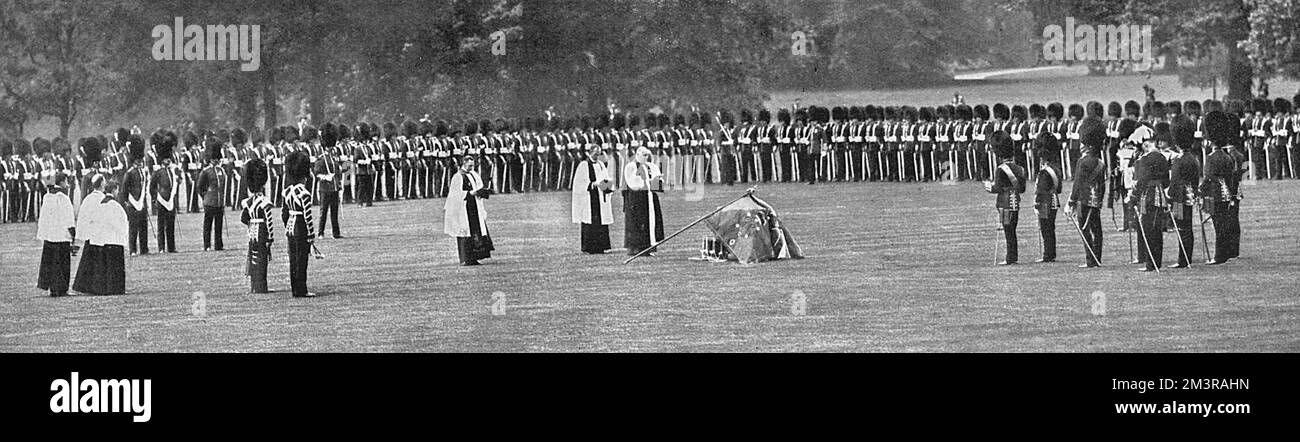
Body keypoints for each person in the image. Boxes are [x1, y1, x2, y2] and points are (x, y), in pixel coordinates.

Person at [73, 177, 128, 295]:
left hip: (97, 237)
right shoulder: (102, 201)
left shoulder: (93, 199)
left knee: (98, 265)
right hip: (100, 236)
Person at [1129, 123, 1170, 272]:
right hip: (1160, 195)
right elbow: (1166, 181)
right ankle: (1156, 261)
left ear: (1145, 145)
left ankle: (1150, 263)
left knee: (1148, 229)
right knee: (1157, 229)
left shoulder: (1144, 160)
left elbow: (1141, 181)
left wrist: (1133, 197)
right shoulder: (1163, 157)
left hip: (1147, 197)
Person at [1068, 115, 1107, 268]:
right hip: (1096, 199)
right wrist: (1101, 200)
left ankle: (1090, 260)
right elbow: (1102, 185)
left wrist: (1071, 201)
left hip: (1084, 199)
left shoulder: (1082, 161)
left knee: (1084, 229)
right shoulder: (1101, 163)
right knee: (1097, 230)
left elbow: (1077, 184)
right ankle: (1097, 258)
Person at [1201, 111, 1238, 265]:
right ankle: (1225, 253)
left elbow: (1208, 178)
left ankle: (1219, 256)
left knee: (1218, 226)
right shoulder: (1228, 157)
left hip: (1214, 193)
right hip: (1226, 192)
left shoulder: (1211, 158)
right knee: (1224, 224)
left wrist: (1200, 191)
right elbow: (1231, 177)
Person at [985, 131, 1027, 265]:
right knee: (1012, 231)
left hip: (1004, 204)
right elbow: (1022, 188)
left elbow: (996, 188)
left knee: (1008, 232)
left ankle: (1010, 258)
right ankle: (1012, 257)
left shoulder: (1001, 169)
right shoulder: (1019, 168)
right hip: (1015, 203)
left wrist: (987, 186)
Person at [444, 155, 494, 265]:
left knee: (476, 232)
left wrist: (484, 192)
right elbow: (455, 194)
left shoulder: (474, 174)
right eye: (469, 165)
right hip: (464, 208)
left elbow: (479, 187)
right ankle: (465, 258)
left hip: (475, 207)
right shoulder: (458, 177)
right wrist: (471, 193)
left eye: (473, 165)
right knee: (465, 233)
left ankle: (474, 257)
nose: (471, 167)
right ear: (464, 163)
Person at [281, 151, 316, 297]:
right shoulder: (304, 193)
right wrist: (311, 234)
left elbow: (285, 212)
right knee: (302, 260)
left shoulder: (287, 192)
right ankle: (302, 289)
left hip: (290, 226)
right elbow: (308, 216)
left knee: (293, 260)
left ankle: (294, 288)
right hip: (301, 227)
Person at [1167, 116, 1201, 268]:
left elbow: (1174, 182)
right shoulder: (1193, 158)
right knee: (1186, 227)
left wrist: (1168, 196)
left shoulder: (1179, 160)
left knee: (1181, 227)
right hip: (1188, 196)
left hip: (1178, 199)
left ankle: (1183, 260)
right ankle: (1186, 258)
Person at [36, 171, 76, 297]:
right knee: (62, 263)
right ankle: (62, 288)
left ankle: (53, 288)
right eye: (66, 181)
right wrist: (73, 234)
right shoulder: (63, 198)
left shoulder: (47, 197)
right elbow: (69, 218)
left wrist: (43, 232)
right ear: (62, 182)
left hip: (50, 235)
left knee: (51, 262)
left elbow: (43, 217)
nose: (67, 184)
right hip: (61, 235)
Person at [240, 158, 274, 294]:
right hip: (261, 231)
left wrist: (251, 224)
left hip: (252, 232)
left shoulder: (247, 202)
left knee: (253, 257)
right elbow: (269, 221)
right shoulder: (264, 201)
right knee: (262, 259)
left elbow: (243, 218)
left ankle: (254, 286)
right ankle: (261, 286)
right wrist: (270, 238)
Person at [623, 146, 664, 256]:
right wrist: (647, 183)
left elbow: (657, 180)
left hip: (649, 197)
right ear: (638, 155)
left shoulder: (651, 166)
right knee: (637, 222)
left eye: (647, 155)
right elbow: (633, 183)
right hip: (637, 198)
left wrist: (656, 181)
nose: (646, 158)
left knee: (649, 222)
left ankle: (648, 247)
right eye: (644, 155)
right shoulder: (631, 166)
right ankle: (635, 247)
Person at [572, 148, 615, 254]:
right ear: (589, 153)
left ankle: (602, 246)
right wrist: (592, 184)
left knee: (601, 220)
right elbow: (580, 182)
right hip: (589, 196)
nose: (597, 156)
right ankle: (589, 247)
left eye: (598, 154)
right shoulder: (584, 165)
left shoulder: (600, 165)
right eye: (595, 154)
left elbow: (606, 178)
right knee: (590, 220)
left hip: (600, 196)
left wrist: (607, 185)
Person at [1032, 132, 1063, 263]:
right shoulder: (1055, 169)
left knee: (1046, 228)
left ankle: (1048, 255)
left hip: (1045, 202)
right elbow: (1059, 188)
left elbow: (1041, 190)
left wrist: (1037, 203)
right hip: (1054, 201)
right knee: (1050, 228)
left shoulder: (1046, 171)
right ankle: (1050, 253)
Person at [149, 131, 180, 253]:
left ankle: (171, 247)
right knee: (161, 226)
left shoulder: (172, 171)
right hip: (161, 199)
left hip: (170, 200)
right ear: (163, 160)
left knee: (171, 226)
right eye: (167, 159)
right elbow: (152, 187)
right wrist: (154, 198)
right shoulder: (158, 172)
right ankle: (161, 247)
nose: (169, 161)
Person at [120, 135, 149, 256]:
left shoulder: (143, 171)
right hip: (133, 202)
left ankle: (144, 248)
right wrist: (127, 201)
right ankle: (132, 249)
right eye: (138, 160)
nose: (140, 161)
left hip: (142, 201)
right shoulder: (129, 173)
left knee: (143, 227)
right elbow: (124, 189)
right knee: (133, 228)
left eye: (140, 159)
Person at [196, 137, 226, 251]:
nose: (216, 161)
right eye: (214, 159)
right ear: (210, 159)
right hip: (209, 201)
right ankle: (207, 245)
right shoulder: (206, 171)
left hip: (219, 201)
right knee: (208, 225)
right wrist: (205, 197)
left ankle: (219, 244)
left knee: (218, 225)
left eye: (217, 159)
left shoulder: (221, 170)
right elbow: (199, 186)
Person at [315, 123, 343, 239]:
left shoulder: (333, 158)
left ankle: (336, 233)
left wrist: (339, 182)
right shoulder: (321, 158)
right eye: (330, 147)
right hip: (325, 188)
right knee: (323, 211)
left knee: (334, 212)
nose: (331, 148)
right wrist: (326, 177)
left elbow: (337, 172)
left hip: (334, 187)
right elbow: (317, 173)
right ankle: (320, 232)